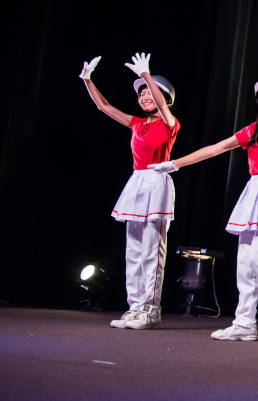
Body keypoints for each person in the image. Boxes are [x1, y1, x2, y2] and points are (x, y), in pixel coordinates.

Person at [150, 75, 258, 341]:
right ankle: (244, 322)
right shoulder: (252, 130)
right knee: (244, 262)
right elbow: (216, 148)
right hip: (254, 189)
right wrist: (174, 164)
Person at [81, 53, 179, 330]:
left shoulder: (169, 122)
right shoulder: (137, 123)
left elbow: (162, 106)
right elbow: (104, 107)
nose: (146, 96)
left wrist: (146, 75)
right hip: (137, 181)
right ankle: (135, 306)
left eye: (151, 92)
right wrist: (87, 79)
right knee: (134, 250)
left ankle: (150, 309)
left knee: (152, 250)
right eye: (142, 93)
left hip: (157, 181)